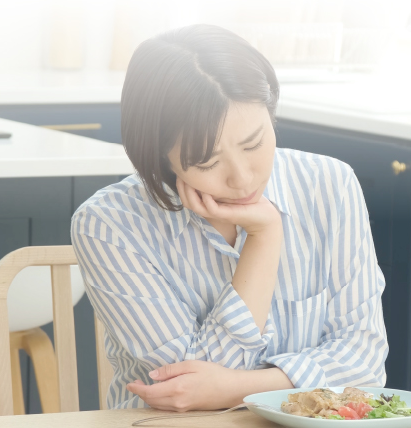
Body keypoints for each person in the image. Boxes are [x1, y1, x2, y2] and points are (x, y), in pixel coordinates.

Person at [71, 24, 388, 412]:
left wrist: (236, 387)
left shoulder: (330, 186)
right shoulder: (108, 226)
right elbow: (186, 393)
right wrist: (265, 237)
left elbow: (364, 363)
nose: (242, 178)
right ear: (160, 157)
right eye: (206, 162)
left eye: (253, 143)